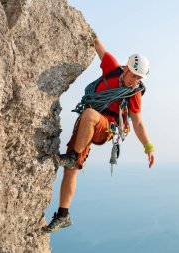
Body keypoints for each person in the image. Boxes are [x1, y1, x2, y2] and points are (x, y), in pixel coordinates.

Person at [42, 37, 155, 233]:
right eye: (134, 75)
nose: (135, 81)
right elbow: (99, 46)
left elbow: (137, 122)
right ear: (126, 68)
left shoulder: (134, 94)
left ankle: (72, 156)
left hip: (106, 127)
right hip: (88, 123)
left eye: (140, 78)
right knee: (71, 169)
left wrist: (148, 147)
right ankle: (63, 215)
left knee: (89, 117)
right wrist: (90, 35)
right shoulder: (112, 68)